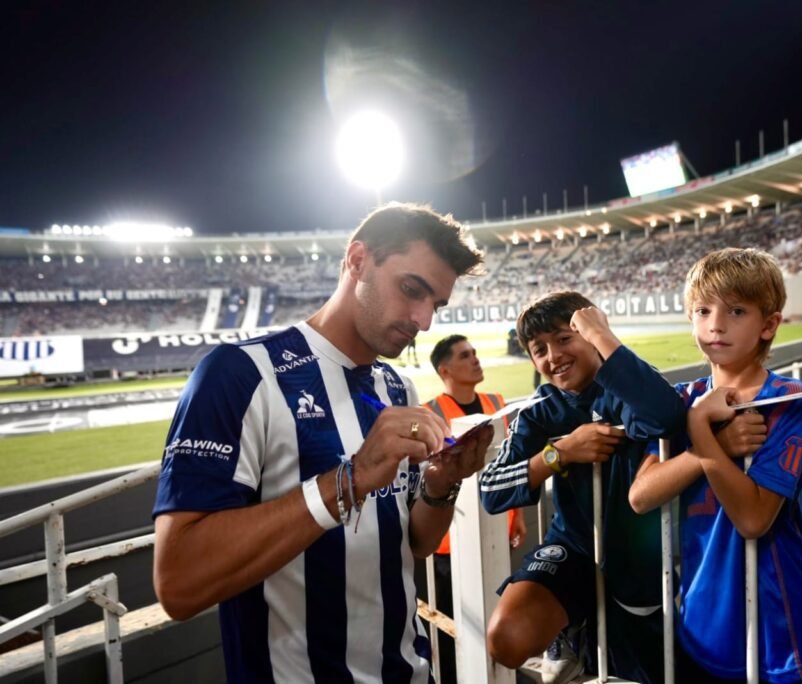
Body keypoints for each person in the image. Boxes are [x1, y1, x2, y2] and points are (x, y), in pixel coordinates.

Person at [152, 203, 494, 683]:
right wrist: (349, 479)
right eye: (411, 289)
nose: (423, 321)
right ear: (357, 261)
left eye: (435, 305)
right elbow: (179, 583)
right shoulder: (241, 374)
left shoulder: (397, 388)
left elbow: (416, 542)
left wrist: (441, 484)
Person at [628, 248, 802, 683]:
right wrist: (712, 439)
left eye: (736, 311)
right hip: (701, 618)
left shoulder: (789, 399)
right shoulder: (681, 400)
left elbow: (754, 519)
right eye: (703, 311)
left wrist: (699, 431)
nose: (715, 325)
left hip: (779, 623)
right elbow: (641, 496)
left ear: (768, 325)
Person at [479, 291, 686, 684]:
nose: (553, 356)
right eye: (539, 349)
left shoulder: (627, 386)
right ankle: (569, 631)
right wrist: (559, 453)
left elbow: (667, 416)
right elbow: (490, 490)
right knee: (507, 638)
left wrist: (604, 337)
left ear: (590, 335)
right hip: (572, 549)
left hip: (637, 560)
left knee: (651, 672)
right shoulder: (538, 412)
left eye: (564, 338)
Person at [420, 333, 527, 683]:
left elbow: (511, 462)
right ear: (444, 370)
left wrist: (518, 515)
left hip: (497, 529)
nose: (475, 359)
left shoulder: (497, 402)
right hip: (450, 543)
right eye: (465, 355)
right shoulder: (430, 413)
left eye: (475, 353)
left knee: (496, 619)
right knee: (457, 627)